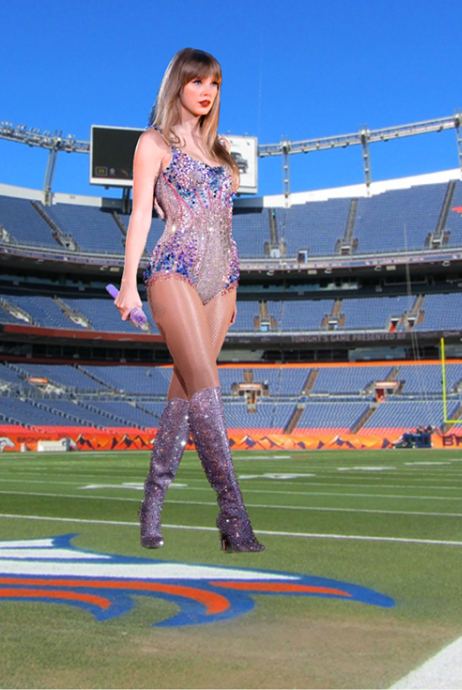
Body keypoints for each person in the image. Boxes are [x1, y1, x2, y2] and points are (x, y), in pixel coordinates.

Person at [114, 48, 263, 553]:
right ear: (177, 84)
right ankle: (233, 514)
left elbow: (224, 222)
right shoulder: (153, 143)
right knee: (206, 385)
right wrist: (128, 282)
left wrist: (234, 288)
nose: (207, 91)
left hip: (224, 279)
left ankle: (151, 503)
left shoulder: (222, 150)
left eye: (214, 83)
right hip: (173, 268)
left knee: (183, 395)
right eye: (197, 81)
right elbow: (141, 213)